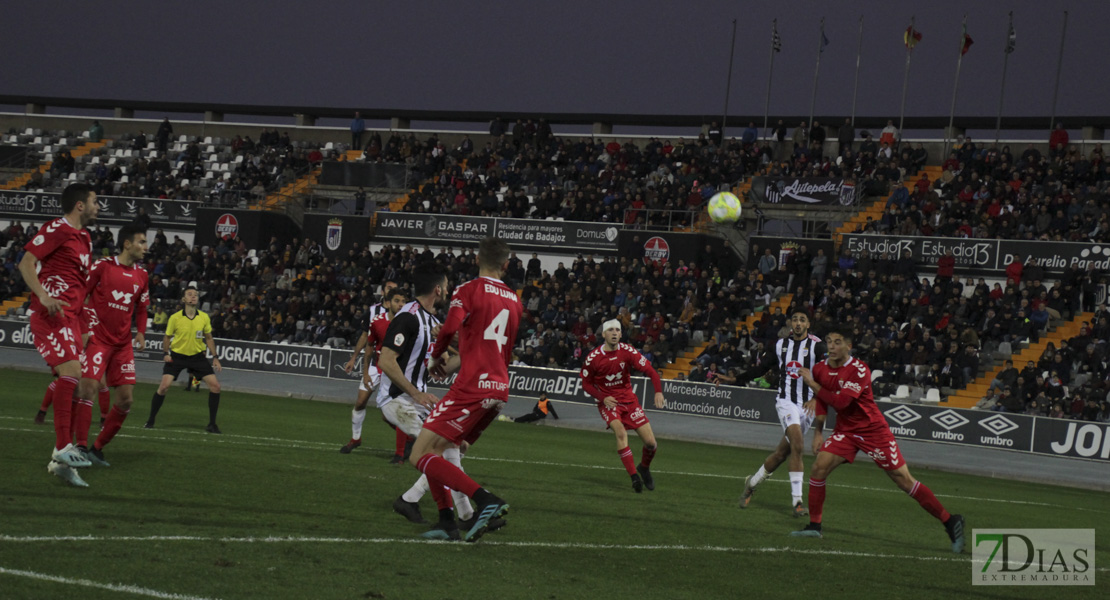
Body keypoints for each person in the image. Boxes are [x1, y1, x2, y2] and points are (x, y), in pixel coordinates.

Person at [791, 327, 965, 554]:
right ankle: (815, 526)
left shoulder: (859, 370)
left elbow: (842, 402)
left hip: (873, 431)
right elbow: (822, 401)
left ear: (848, 346)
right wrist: (818, 432)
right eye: (829, 341)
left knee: (903, 480)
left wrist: (812, 384)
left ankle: (950, 521)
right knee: (819, 468)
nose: (832, 346)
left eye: (837, 342)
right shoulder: (820, 369)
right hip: (846, 431)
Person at [407, 238, 524, 542]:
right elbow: (495, 344)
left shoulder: (468, 290)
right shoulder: (515, 299)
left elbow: (448, 328)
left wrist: (436, 357)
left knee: (419, 453)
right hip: (498, 388)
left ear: (476, 259)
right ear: (507, 265)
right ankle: (447, 522)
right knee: (443, 448)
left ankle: (485, 499)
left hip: (472, 386)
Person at [377, 265, 471, 533]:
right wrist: (416, 392)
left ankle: (416, 502)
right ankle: (462, 513)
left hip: (417, 399)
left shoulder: (431, 322)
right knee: (438, 448)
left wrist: (467, 354)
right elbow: (386, 360)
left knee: (455, 444)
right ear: (438, 289)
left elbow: (439, 369)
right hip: (397, 399)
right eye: (447, 285)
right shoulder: (408, 317)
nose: (449, 290)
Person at [19, 183, 99, 487]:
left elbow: (79, 286)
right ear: (80, 205)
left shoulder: (85, 238)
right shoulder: (57, 228)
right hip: (49, 315)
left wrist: (84, 324)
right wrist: (42, 295)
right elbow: (26, 263)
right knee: (71, 373)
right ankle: (64, 446)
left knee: (77, 380)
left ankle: (60, 462)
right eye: (94, 201)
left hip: (71, 319)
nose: (98, 206)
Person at [738, 310, 826, 517]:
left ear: (808, 324)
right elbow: (760, 370)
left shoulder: (817, 346)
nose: (798, 323)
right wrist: (736, 379)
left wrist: (816, 397)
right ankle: (797, 502)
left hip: (808, 407)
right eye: (794, 319)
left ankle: (751, 484)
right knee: (797, 444)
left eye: (802, 320)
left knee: (780, 455)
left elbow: (827, 373)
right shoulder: (780, 345)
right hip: (786, 402)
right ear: (790, 324)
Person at [79, 224, 150, 467]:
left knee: (126, 400)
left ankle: (96, 449)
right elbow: (81, 295)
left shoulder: (142, 275)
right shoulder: (103, 266)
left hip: (122, 344)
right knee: (87, 388)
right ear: (127, 244)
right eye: (142, 241)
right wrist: (84, 328)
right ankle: (78, 447)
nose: (146, 247)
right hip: (98, 339)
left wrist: (140, 332)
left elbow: (142, 306)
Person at [580, 320, 667, 493]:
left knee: (651, 443)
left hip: (629, 401)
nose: (614, 333)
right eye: (610, 330)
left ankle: (644, 467)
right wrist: (602, 398)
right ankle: (634, 477)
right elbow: (586, 384)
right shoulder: (593, 358)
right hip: (609, 402)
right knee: (620, 432)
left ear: (621, 334)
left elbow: (651, 371)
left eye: (617, 330)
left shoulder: (628, 351)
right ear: (603, 334)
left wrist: (658, 391)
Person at [145, 287, 223, 433]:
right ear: (183, 299)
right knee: (163, 387)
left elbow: (209, 338)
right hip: (177, 357)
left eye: (196, 295)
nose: (193, 297)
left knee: (215, 387)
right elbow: (167, 337)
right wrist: (165, 353)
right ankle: (150, 420)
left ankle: (212, 424)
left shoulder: (204, 317)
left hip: (198, 357)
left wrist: (215, 357)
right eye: (190, 294)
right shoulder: (175, 317)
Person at [339, 286, 406, 456]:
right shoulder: (375, 317)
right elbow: (368, 343)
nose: (400, 304)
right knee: (360, 402)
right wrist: (365, 370)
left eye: (403, 301)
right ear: (388, 300)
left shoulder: (406, 322)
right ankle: (356, 438)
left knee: (388, 414)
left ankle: (408, 439)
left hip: (393, 370)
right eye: (397, 300)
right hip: (376, 366)